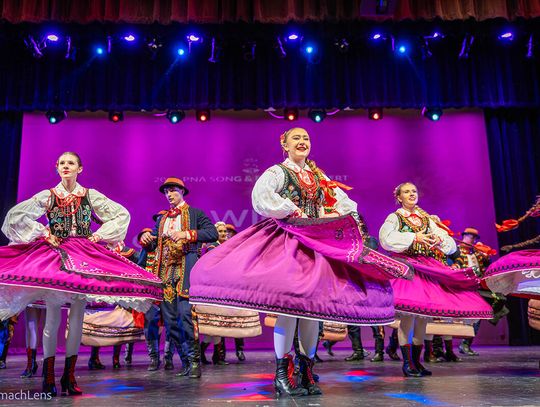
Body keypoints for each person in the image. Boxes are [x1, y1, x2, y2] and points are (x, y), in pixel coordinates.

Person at [190, 127, 411, 397]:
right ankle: (282, 374)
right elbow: (262, 198)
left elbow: (344, 203)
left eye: (306, 138)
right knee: (289, 309)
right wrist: (291, 209)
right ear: (284, 144)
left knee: (312, 311)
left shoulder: (319, 176)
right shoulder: (278, 172)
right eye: (296, 138)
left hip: (317, 244)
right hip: (288, 241)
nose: (302, 141)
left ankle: (306, 371)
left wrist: (329, 213)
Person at [0, 152, 162, 397]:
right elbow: (15, 216)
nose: (66, 166)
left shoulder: (90, 195)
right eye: (62, 163)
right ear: (56, 168)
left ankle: (69, 375)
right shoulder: (49, 196)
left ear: (80, 168)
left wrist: (98, 236)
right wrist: (44, 233)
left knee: (77, 317)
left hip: (84, 253)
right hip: (55, 254)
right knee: (53, 316)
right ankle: (48, 377)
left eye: (71, 163)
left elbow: (121, 215)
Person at [379, 182, 493, 377]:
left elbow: (448, 242)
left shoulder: (427, 219)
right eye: (406, 192)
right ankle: (407, 364)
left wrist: (440, 240)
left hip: (427, 267)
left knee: (423, 319)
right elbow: (386, 239)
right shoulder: (395, 217)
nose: (411, 194)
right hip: (408, 268)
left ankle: (417, 362)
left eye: (414, 191)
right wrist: (414, 237)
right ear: (399, 197)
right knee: (408, 318)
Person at [139, 177, 218, 378]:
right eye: (167, 192)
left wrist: (187, 234)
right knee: (171, 321)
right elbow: (154, 244)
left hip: (185, 271)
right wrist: (146, 239)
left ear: (182, 191)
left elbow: (212, 233)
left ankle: (194, 362)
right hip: (166, 273)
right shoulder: (162, 219)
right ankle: (184, 362)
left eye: (173, 190)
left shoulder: (195, 213)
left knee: (185, 316)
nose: (169, 194)